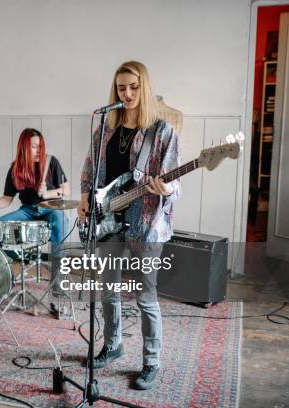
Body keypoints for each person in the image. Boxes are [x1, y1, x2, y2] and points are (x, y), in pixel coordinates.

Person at [78, 61, 181, 390]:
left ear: (144, 87)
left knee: (145, 297)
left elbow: (174, 181)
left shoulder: (162, 131)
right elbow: (89, 169)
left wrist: (167, 188)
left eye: (134, 87)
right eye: (122, 88)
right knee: (108, 290)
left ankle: (151, 361)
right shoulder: (105, 129)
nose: (128, 93)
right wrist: (84, 197)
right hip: (108, 223)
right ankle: (113, 344)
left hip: (146, 225)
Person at [0, 128, 70, 293]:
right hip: (28, 211)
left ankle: (57, 285)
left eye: (40, 146)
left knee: (60, 220)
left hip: (52, 208)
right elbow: (7, 199)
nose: (38, 150)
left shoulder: (51, 162)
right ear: (23, 147)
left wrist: (48, 193)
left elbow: (66, 190)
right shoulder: (16, 168)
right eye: (33, 146)